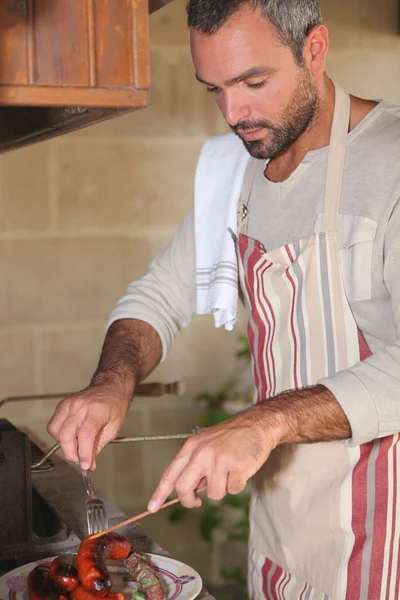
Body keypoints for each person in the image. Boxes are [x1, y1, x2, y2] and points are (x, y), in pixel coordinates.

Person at [47, 0, 400, 597]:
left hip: (384, 536)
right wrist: (113, 379)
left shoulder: (390, 163)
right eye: (214, 89)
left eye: (253, 81)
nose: (235, 113)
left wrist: (263, 424)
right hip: (282, 531)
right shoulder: (233, 173)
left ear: (314, 49)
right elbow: (159, 294)